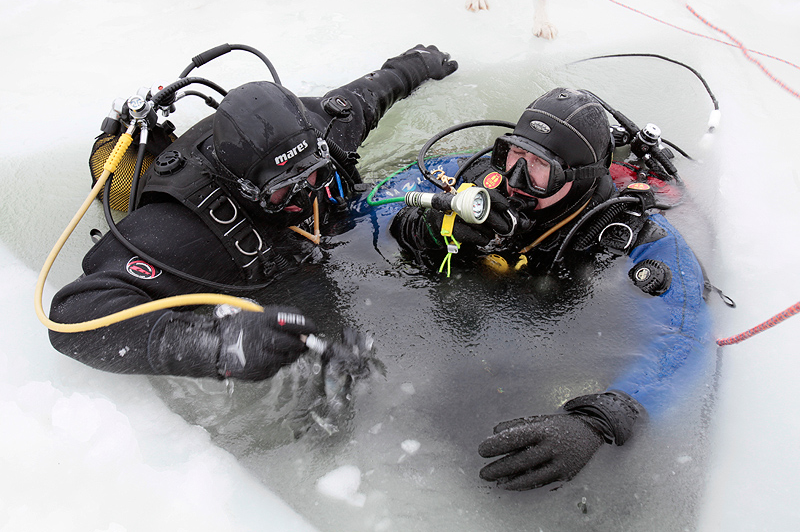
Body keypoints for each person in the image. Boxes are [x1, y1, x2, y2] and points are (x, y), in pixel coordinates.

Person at [48, 45, 458, 382]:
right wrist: (217, 345)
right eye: (282, 191)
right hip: (254, 276)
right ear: (244, 187)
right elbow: (73, 319)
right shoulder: (182, 229)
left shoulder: (321, 130)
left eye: (313, 175)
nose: (304, 196)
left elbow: (374, 92)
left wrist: (418, 63)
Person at [389, 87, 713, 490]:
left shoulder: (638, 239)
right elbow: (383, 198)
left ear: (580, 177)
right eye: (514, 156)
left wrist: (603, 418)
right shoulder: (479, 183)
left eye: (541, 166)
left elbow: (684, 338)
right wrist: (426, 228)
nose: (517, 180)